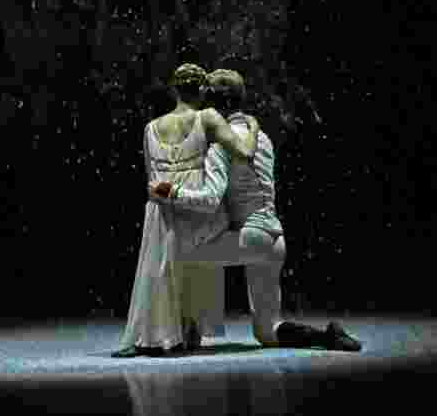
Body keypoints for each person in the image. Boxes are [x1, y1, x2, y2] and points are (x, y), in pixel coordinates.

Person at [148, 69, 362, 352]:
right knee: (267, 331)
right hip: (275, 240)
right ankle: (326, 337)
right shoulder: (262, 138)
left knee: (180, 249)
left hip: (251, 236)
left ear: (217, 105)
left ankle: (184, 328)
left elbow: (211, 198)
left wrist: (172, 191)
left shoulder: (222, 145)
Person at [113, 63, 261, 357]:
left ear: (174, 89)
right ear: (203, 90)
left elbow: (151, 184)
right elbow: (245, 152)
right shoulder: (207, 117)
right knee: (217, 226)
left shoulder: (150, 127)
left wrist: (168, 194)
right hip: (195, 212)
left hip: (162, 211)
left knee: (162, 257)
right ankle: (189, 323)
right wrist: (253, 127)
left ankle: (166, 330)